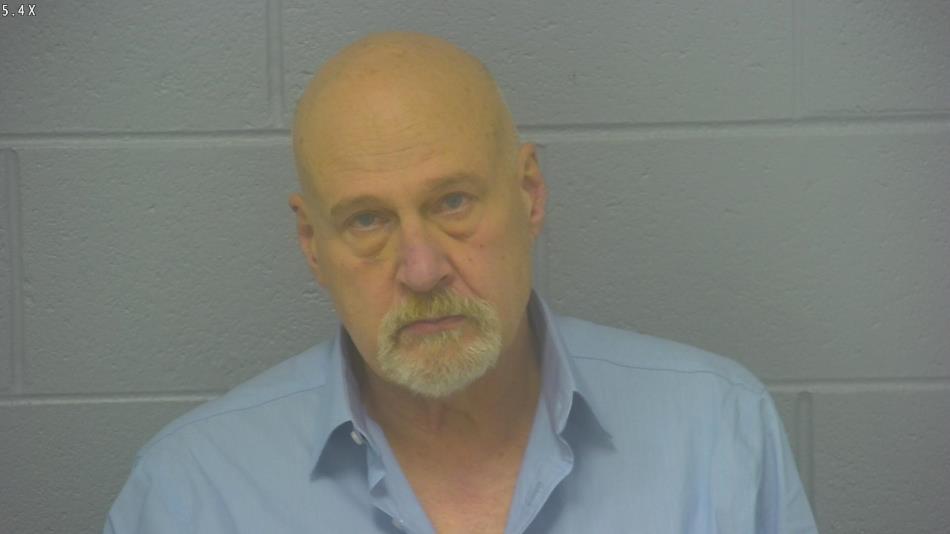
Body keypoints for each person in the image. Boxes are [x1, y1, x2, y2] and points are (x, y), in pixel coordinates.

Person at [104, 32, 818, 533]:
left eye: (452, 203)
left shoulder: (718, 434)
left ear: (530, 194)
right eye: (366, 221)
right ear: (312, 246)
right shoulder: (190, 496)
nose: (422, 270)